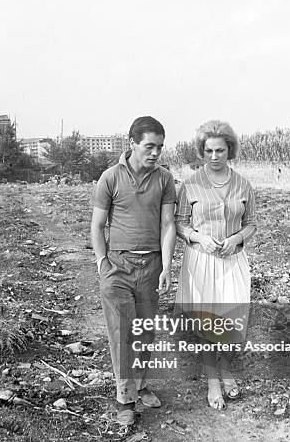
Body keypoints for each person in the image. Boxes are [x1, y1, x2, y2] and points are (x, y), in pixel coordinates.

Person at [91, 116, 176, 425]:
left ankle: (141, 385)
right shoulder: (110, 178)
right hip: (118, 267)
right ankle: (125, 399)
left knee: (145, 331)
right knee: (121, 332)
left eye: (160, 147)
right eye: (149, 146)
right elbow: (97, 226)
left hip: (151, 266)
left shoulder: (165, 178)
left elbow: (168, 225)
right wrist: (102, 263)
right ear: (132, 144)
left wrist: (167, 266)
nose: (155, 153)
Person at [175, 120, 256, 410]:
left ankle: (226, 370)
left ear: (229, 150)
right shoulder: (191, 184)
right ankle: (212, 381)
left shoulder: (243, 184)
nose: (214, 156)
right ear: (202, 151)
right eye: (208, 150)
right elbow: (180, 223)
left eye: (220, 150)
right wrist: (198, 237)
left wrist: (236, 239)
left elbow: (251, 224)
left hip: (233, 261)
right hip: (202, 262)